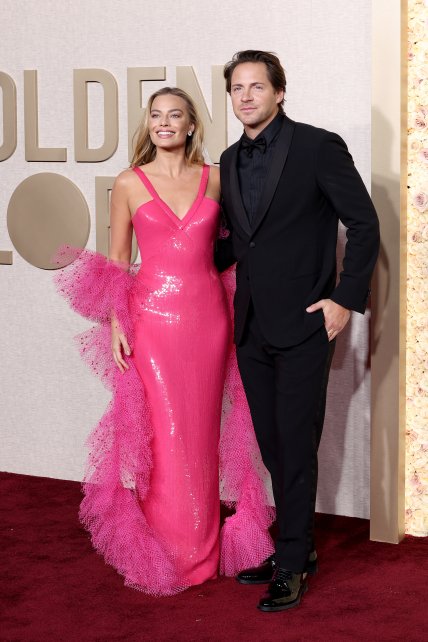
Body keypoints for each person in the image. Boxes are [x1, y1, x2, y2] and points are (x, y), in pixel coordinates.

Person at [54, 87, 274, 595]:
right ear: (149, 124)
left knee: (202, 430)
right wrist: (116, 323)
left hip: (208, 320)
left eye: (175, 115)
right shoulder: (129, 182)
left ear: (191, 125)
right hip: (151, 322)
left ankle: (205, 550)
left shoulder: (216, 178)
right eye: (156, 116)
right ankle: (165, 551)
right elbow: (116, 261)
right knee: (163, 432)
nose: (164, 123)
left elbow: (244, 242)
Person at [215, 51, 380, 612]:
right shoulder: (228, 158)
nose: (246, 96)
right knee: (273, 444)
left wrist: (345, 299)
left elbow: (364, 223)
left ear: (280, 92)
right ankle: (297, 547)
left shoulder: (317, 146)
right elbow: (238, 242)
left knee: (296, 442)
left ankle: (290, 561)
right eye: (237, 88)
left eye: (256, 86)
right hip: (251, 324)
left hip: (307, 322)